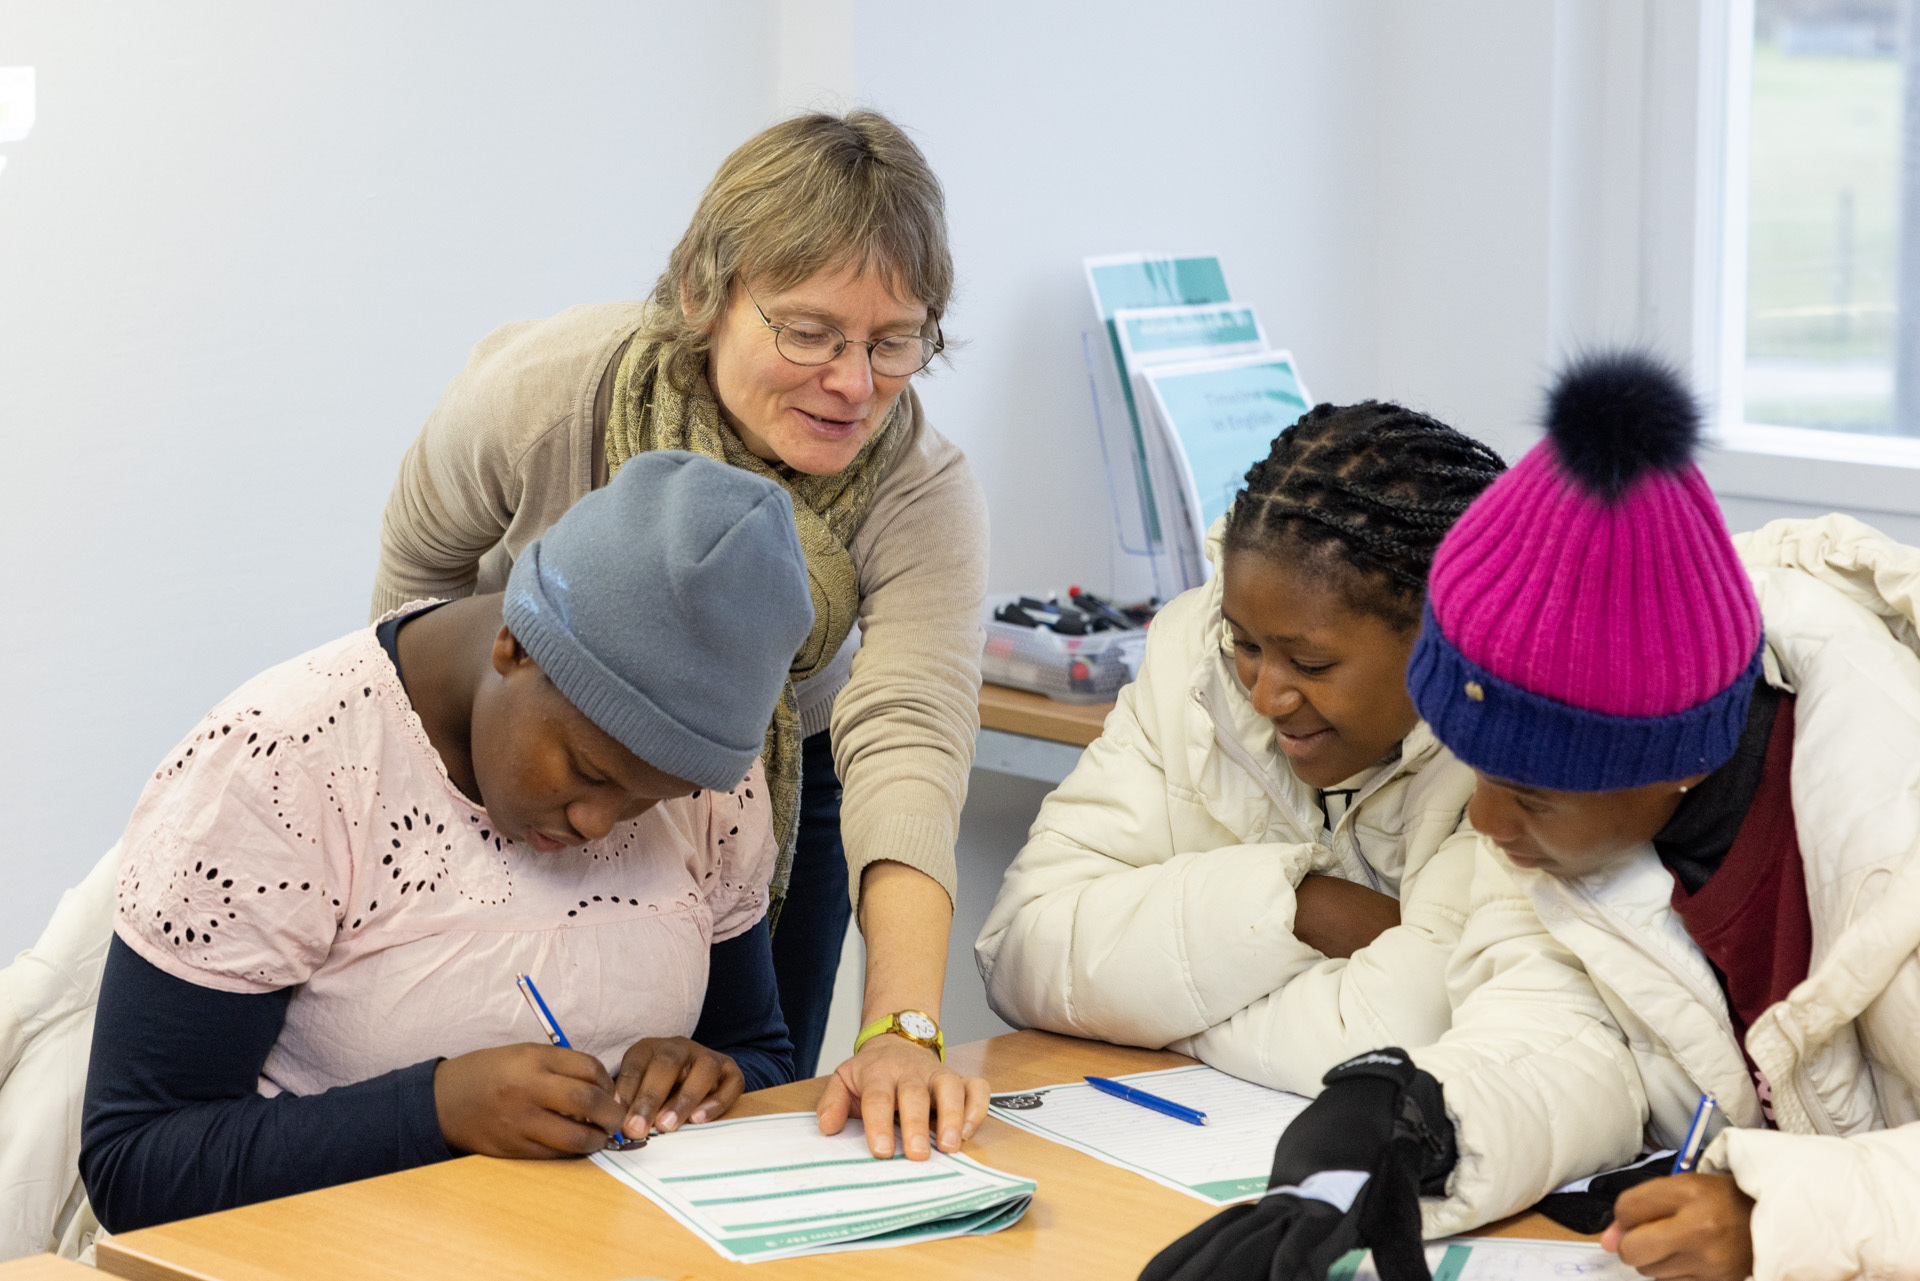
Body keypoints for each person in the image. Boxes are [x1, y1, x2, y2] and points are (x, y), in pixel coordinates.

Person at [1144, 353, 1920, 1281]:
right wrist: (1412, 1116)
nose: (1487, 820)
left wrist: (1780, 1215)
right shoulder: (1588, 826)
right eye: (1477, 769)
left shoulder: (1894, 823)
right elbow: (1557, 1039)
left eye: (1530, 793)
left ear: (1678, 758)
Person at [369, 109, 989, 1157]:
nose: (854, 384)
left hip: (777, 769)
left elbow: (910, 746)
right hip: (532, 734)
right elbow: (417, 579)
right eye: (810, 333)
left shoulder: (921, 492)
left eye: (894, 342)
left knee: (739, 1077)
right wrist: (436, 803)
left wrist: (901, 1031)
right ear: (705, 292)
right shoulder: (550, 394)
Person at [80, 452, 813, 1231]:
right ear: (515, 646)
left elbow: (761, 1053)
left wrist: (712, 1074)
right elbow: (136, 1164)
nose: (600, 822)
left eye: (652, 798)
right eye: (589, 770)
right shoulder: (283, 770)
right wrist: (434, 1111)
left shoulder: (709, 784)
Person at [975, 401, 1510, 1092]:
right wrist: (1300, 907)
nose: (1264, 697)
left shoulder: (1507, 737)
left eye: (1310, 665)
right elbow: (1020, 950)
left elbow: (1411, 1031)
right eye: (1247, 645)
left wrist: (1163, 1019)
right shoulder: (1195, 657)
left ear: (1440, 635)